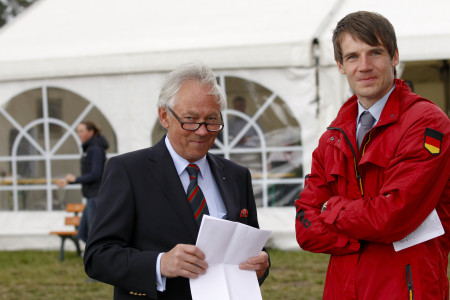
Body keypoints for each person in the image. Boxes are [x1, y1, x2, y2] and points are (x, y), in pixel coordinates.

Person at [295, 11, 449, 300]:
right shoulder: (333, 135)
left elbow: (393, 217)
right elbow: (305, 229)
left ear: (394, 57)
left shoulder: (427, 123)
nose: (364, 66)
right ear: (340, 65)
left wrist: (333, 210)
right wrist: (369, 223)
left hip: (405, 289)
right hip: (342, 290)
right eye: (353, 57)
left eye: (374, 53)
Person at [84, 62, 270, 300]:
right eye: (190, 119)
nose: (202, 131)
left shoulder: (237, 175)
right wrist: (161, 264)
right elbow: (98, 257)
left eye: (211, 120)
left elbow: (251, 247)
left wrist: (260, 266)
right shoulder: (128, 171)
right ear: (164, 116)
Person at [57, 121, 109, 243]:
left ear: (91, 132)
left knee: (93, 236)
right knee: (83, 233)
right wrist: (69, 182)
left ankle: (98, 260)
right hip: (90, 197)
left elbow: (96, 174)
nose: (78, 134)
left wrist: (75, 179)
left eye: (81, 131)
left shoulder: (96, 149)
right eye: (78, 131)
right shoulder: (90, 148)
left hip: (96, 197)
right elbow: (89, 175)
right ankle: (96, 259)